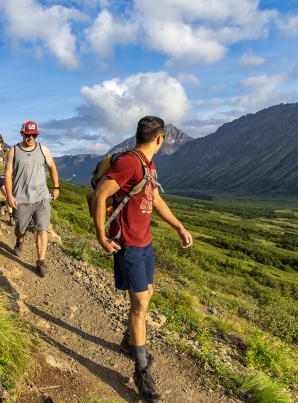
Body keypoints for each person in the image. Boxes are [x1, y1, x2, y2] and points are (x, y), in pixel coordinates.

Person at [92, 116, 193, 403]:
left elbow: (155, 198)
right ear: (159, 138)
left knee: (147, 293)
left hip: (145, 243)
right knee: (140, 304)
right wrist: (101, 236)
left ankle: (128, 340)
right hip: (129, 246)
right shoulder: (129, 162)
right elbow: (101, 195)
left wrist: (179, 226)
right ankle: (142, 371)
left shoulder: (147, 165)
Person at [4, 120, 60, 276]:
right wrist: (9, 194)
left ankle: (41, 261)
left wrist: (56, 187)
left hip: (42, 197)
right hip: (21, 198)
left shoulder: (43, 149)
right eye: (28, 134)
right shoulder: (13, 151)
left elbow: (52, 167)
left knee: (42, 228)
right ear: (22, 133)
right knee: (20, 229)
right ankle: (19, 240)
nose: (31, 138)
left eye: (34, 135)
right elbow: (8, 173)